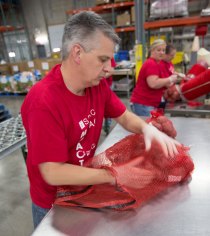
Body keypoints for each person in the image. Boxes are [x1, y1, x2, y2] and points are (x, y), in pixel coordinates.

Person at [21, 12, 180, 228]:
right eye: (103, 59)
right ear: (77, 52)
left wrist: (146, 129)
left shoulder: (96, 86)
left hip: (83, 189)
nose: (108, 68)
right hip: (53, 205)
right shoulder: (43, 101)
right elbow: (53, 172)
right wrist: (115, 176)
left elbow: (123, 115)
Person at [130, 39, 178, 117]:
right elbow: (153, 84)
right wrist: (170, 79)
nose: (162, 52)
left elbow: (162, 82)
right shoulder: (151, 63)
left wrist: (170, 80)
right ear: (152, 51)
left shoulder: (157, 63)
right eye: (158, 50)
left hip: (149, 103)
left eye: (163, 50)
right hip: (144, 104)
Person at [158, 43, 177, 109]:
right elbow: (165, 82)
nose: (173, 57)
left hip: (167, 93)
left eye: (174, 55)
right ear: (165, 54)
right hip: (160, 95)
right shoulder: (161, 64)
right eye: (172, 55)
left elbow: (172, 72)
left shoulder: (169, 62)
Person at [103, 57, 116, 135]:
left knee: (108, 106)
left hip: (107, 85)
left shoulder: (109, 56)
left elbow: (111, 71)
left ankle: (107, 125)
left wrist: (99, 77)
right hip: (95, 84)